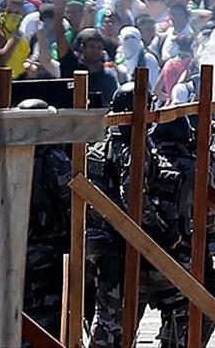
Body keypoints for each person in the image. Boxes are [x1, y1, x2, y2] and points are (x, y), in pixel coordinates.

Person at [140, 116, 215, 347]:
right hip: (185, 257)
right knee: (193, 319)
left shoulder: (146, 162)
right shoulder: (197, 167)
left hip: (141, 252)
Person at [85, 84, 138, 347]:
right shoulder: (125, 151)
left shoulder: (96, 146)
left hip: (90, 236)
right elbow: (130, 198)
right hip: (112, 241)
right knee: (109, 314)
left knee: (95, 307)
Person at [19, 98, 71, 336]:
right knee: (49, 319)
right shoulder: (53, 159)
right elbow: (74, 199)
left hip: (16, 250)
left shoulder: (8, 155)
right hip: (48, 252)